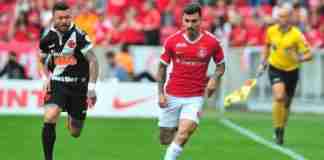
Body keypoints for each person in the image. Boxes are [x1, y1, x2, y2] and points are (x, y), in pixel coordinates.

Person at [157, 3, 225, 160]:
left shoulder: (212, 42)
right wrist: (160, 93)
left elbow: (221, 65)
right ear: (182, 20)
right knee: (165, 139)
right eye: (187, 21)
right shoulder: (172, 41)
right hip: (172, 94)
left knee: (183, 133)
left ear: (201, 20)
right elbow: (161, 68)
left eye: (194, 21)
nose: (190, 25)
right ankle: (174, 140)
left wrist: (214, 79)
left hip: (195, 96)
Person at [39, 2, 99, 160]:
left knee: (75, 132)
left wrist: (91, 88)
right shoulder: (47, 39)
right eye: (60, 18)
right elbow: (41, 59)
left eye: (67, 17)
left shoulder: (79, 35)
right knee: (50, 116)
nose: (64, 21)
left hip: (79, 86)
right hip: (58, 84)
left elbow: (93, 60)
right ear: (54, 18)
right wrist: (45, 78)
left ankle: (70, 116)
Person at [257, 7, 312, 145]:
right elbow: (267, 47)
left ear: (290, 18)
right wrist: (263, 62)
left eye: (283, 16)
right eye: (279, 16)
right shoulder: (271, 31)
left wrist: (299, 58)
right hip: (275, 68)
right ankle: (277, 130)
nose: (280, 19)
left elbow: (309, 54)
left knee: (286, 104)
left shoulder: (297, 34)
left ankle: (281, 128)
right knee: (279, 97)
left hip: (292, 71)